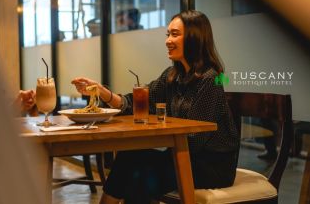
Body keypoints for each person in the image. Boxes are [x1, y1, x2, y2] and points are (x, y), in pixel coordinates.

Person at [71, 10, 240, 204]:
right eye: (167, 34)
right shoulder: (172, 75)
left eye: (175, 34)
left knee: (137, 171)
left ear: (195, 38)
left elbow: (195, 141)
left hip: (211, 166)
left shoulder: (211, 79)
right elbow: (134, 104)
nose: (168, 40)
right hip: (182, 156)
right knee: (131, 157)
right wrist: (102, 92)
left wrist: (154, 137)